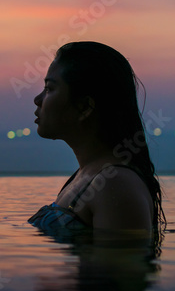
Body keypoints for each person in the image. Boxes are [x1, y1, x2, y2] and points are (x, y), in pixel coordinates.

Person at [28, 41, 166, 239]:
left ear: (85, 107)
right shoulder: (87, 177)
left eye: (49, 89)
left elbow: (122, 267)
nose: (38, 99)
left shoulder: (115, 184)